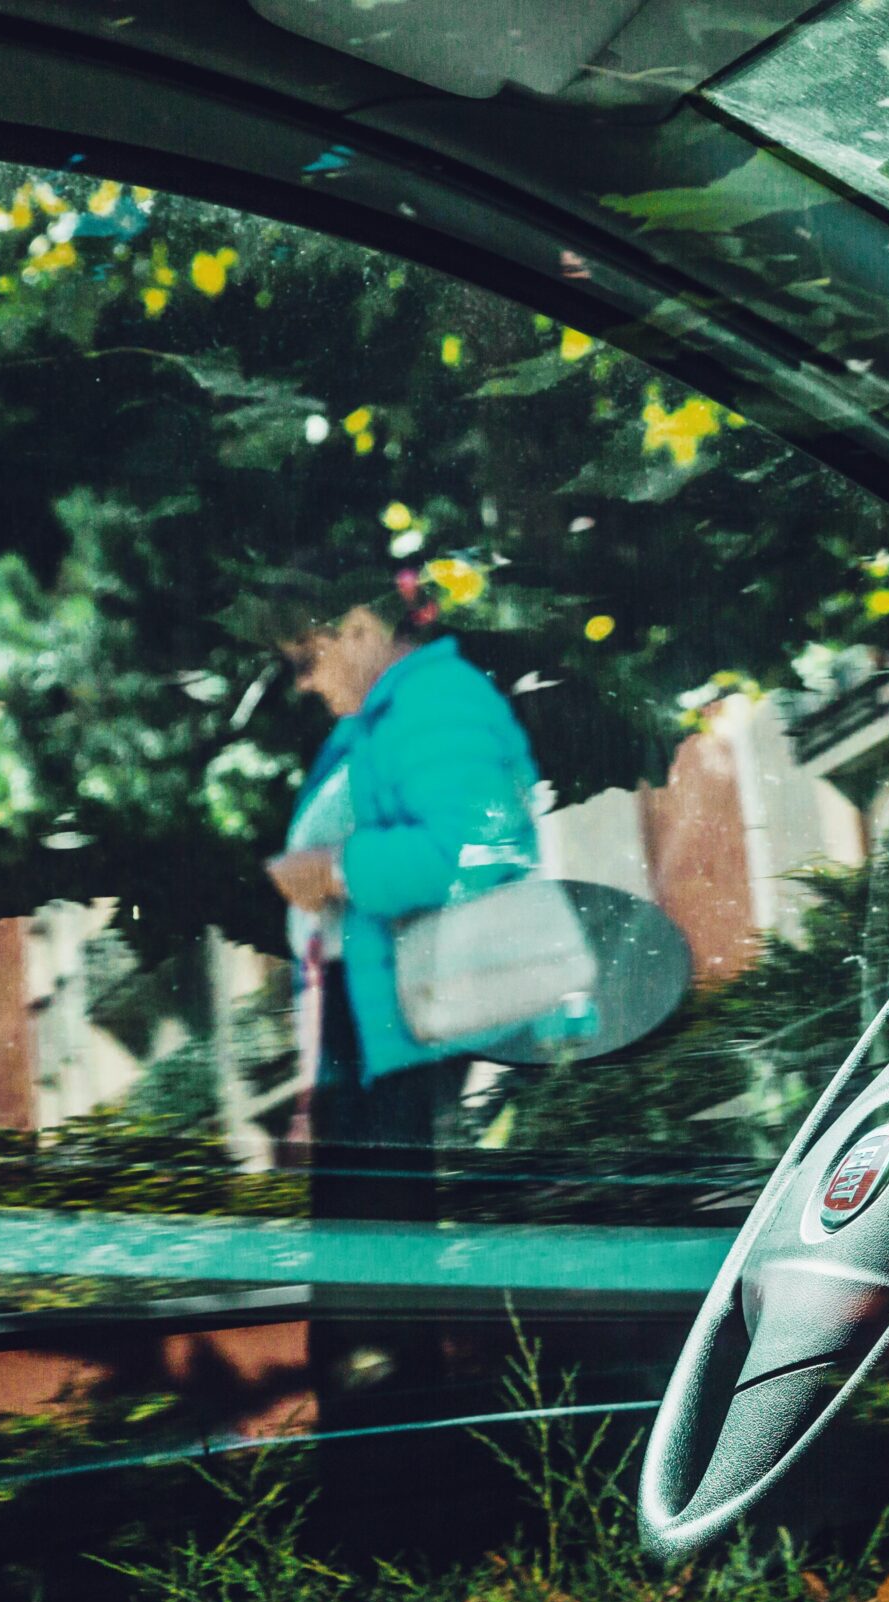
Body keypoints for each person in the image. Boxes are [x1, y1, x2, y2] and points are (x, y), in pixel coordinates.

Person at [254, 556, 541, 1534]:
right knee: (363, 1302)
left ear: (366, 626)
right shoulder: (380, 724)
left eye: (307, 653)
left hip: (417, 1040)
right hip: (375, 1044)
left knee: (379, 1307)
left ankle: (403, 1532)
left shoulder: (437, 703)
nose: (302, 680)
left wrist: (332, 866)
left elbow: (484, 850)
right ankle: (387, 1522)